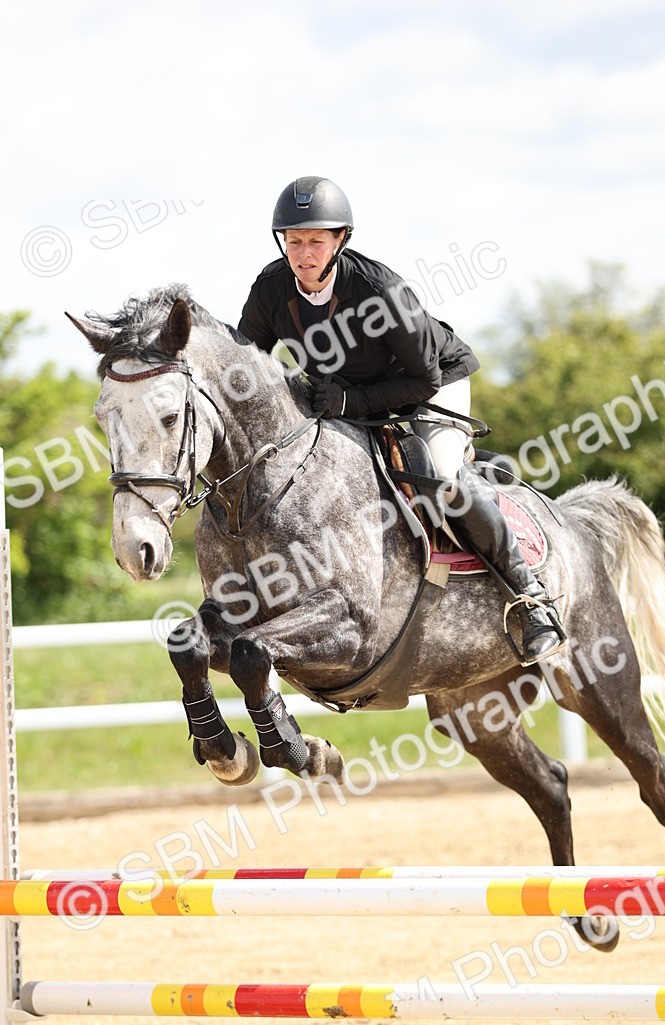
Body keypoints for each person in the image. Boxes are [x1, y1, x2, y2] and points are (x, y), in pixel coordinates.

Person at [238, 175, 566, 666]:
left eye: (315, 241)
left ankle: (532, 597)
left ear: (340, 240)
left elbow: (424, 378)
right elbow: (248, 369)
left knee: (442, 477)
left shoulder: (378, 290)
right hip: (345, 395)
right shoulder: (270, 289)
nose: (303, 253)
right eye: (294, 240)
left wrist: (350, 404)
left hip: (429, 383)